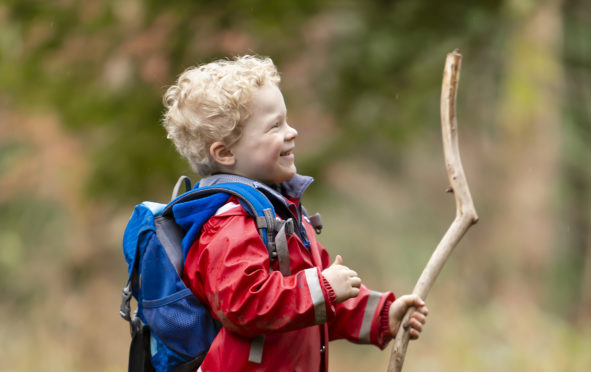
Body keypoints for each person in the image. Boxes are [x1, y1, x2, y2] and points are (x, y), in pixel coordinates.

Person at [161, 55, 428, 372]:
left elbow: (309, 307)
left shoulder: (276, 217)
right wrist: (323, 287)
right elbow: (243, 305)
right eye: (275, 126)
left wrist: (382, 316)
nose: (292, 132)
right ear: (226, 153)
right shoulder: (230, 225)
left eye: (286, 121)